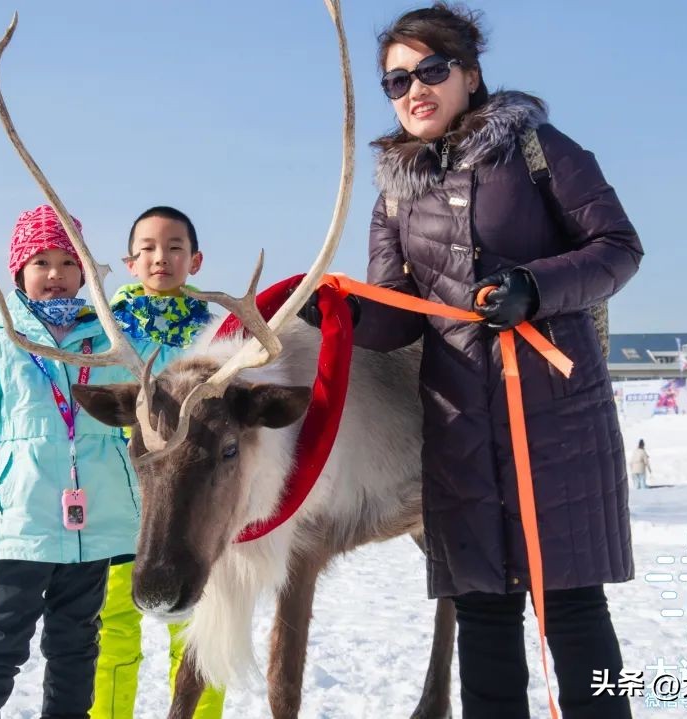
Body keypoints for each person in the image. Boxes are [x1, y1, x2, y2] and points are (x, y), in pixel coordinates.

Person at [304, 5, 643, 716]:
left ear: (469, 73)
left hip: (554, 420)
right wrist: (340, 316)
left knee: (573, 611)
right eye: (396, 81)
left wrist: (535, 287)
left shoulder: (536, 148)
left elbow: (618, 247)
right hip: (458, 429)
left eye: (431, 70)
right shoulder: (394, 191)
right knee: (484, 619)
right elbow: (397, 310)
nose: (414, 90)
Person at [0, 204, 159, 719]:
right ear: (20, 269)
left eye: (68, 262)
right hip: (23, 522)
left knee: (76, 648)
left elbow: (157, 390)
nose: (56, 275)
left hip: (95, 522)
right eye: (42, 262)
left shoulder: (111, 340)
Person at [91, 206, 223, 719]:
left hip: (193, 515)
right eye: (146, 248)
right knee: (113, 634)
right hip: (116, 511)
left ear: (196, 259)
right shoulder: (102, 333)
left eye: (174, 247)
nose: (160, 258)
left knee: (197, 637)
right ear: (129, 262)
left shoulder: (219, 336)